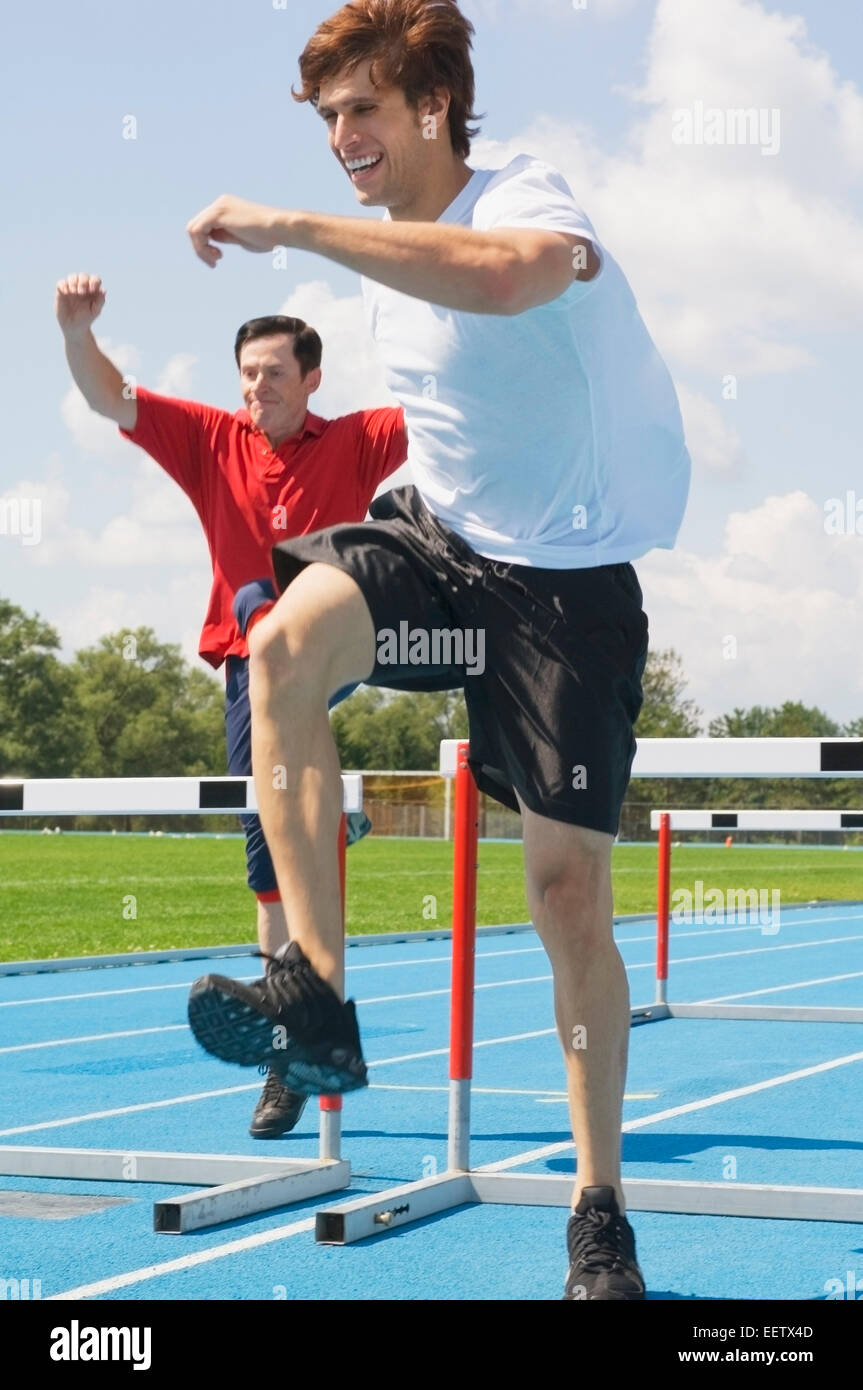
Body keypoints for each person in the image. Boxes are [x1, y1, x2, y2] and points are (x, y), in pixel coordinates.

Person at [184, 0, 690, 1299]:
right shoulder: (387, 248)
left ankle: (596, 1212)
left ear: (430, 105)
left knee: (564, 897)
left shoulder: (519, 190)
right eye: (327, 116)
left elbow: (513, 278)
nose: (340, 136)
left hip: (562, 585)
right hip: (441, 545)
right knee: (281, 647)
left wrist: (290, 228)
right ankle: (318, 997)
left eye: (361, 108)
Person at [55, 279, 407, 1139]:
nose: (256, 389)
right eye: (246, 375)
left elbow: (445, 411)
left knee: (266, 599)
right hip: (245, 668)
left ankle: (321, 816)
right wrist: (75, 332)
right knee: (266, 859)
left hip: (326, 646)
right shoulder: (212, 439)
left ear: (312, 378)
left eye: (274, 375)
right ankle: (287, 1050)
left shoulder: (357, 439)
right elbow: (113, 397)